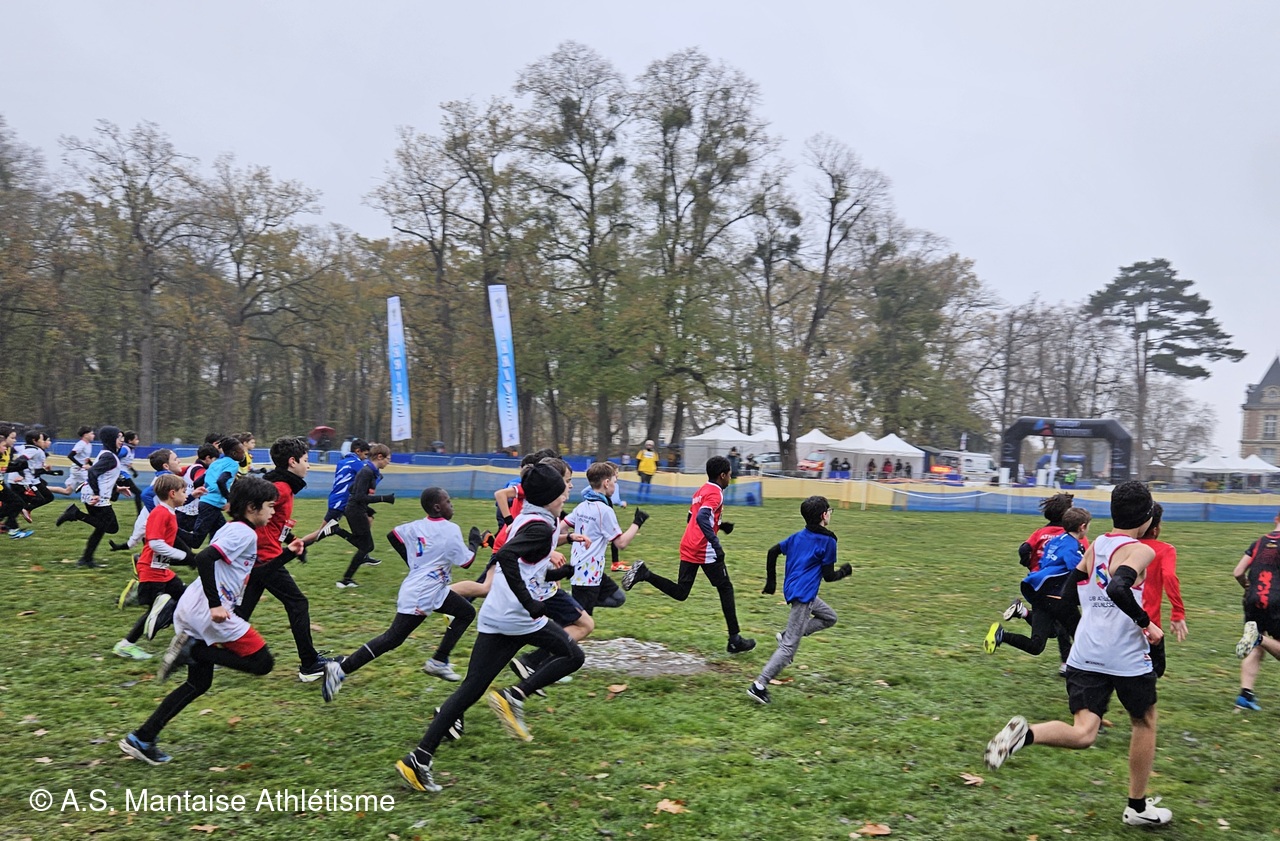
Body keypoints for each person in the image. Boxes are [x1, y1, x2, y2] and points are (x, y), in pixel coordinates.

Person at [984, 481, 1172, 828]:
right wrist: (1147, 624)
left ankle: (1026, 735)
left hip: (1085, 653)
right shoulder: (1141, 550)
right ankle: (1136, 806)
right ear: (1147, 518)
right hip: (1125, 655)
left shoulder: (1097, 544)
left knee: (1084, 732)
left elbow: (1068, 597)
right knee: (1144, 720)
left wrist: (1082, 621)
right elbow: (1118, 586)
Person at [394, 463, 586, 793]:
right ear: (549, 496)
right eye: (563, 490)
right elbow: (507, 557)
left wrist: (560, 573)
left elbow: (526, 566)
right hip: (518, 617)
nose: (567, 494)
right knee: (573, 656)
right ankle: (514, 696)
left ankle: (418, 760)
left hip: (496, 614)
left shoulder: (530, 518)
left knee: (470, 688)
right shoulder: (540, 527)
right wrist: (530, 603)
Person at [118, 476, 297, 766]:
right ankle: (193, 649)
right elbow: (204, 559)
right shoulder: (244, 534)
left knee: (198, 683)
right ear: (252, 508)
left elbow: (256, 575)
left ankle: (142, 738)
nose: (273, 511)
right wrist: (215, 605)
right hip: (209, 611)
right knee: (262, 663)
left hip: (194, 606)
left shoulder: (235, 529)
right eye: (269, 506)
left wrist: (288, 553)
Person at [322, 487, 480, 701]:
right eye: (448, 502)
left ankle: (439, 660)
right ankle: (340, 669)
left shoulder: (416, 525)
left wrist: (413, 563)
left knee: (466, 612)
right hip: (422, 593)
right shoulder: (450, 529)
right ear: (437, 507)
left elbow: (393, 535)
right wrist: (474, 542)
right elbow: (467, 562)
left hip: (433, 589)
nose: (452, 505)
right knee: (393, 638)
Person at [621, 455, 756, 654]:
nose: (730, 477)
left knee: (681, 592)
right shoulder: (716, 493)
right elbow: (701, 517)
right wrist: (716, 543)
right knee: (725, 588)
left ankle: (645, 573)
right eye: (729, 474)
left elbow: (691, 518)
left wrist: (720, 525)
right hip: (704, 548)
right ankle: (735, 640)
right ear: (722, 475)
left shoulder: (701, 491)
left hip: (688, 544)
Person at [234, 436, 336, 681]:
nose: (308, 465)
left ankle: (210, 648)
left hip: (262, 555)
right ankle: (309, 664)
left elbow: (275, 522)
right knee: (298, 604)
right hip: (265, 557)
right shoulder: (280, 488)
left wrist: (291, 538)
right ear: (292, 462)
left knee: (243, 610)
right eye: (305, 460)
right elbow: (249, 510)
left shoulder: (283, 486)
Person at [748, 495, 851, 705]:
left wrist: (771, 582)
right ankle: (759, 685)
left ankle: (787, 634)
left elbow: (772, 551)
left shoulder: (798, 536)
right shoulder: (828, 541)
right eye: (830, 511)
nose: (830, 514)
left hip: (798, 591)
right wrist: (844, 572)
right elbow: (829, 576)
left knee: (829, 617)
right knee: (788, 649)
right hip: (803, 596)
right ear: (824, 515)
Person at [985, 507, 1089, 660]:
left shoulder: (1055, 541)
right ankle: (1082, 668)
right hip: (1057, 597)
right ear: (1082, 527)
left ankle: (1000, 635)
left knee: (1038, 644)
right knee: (1080, 636)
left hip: (1039, 593)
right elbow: (1078, 571)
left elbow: (1043, 562)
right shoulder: (1073, 547)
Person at [112, 474, 191, 661]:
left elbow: (149, 533)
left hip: (162, 569)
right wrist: (183, 555)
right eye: (184, 491)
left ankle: (189, 640)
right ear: (172, 494)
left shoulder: (168, 511)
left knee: (185, 599)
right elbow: (155, 543)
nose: (186, 495)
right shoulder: (161, 512)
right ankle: (125, 645)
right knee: (155, 613)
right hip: (151, 569)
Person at [565, 462, 647, 615]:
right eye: (615, 481)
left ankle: (575, 601)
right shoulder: (604, 510)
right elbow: (621, 543)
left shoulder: (582, 506)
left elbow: (562, 527)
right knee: (581, 623)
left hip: (590, 570)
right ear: (606, 483)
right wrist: (638, 522)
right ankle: (571, 602)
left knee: (618, 598)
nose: (615, 485)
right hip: (586, 575)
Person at [56, 425, 126, 569]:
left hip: (93, 494)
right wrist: (96, 494)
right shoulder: (109, 456)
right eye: (119, 437)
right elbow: (93, 472)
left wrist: (116, 488)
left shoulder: (107, 454)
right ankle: (75, 514)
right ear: (111, 438)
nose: (122, 440)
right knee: (111, 527)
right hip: (95, 497)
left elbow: (104, 475)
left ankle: (86, 559)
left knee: (100, 528)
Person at [1231, 510, 1280, 711]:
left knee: (1256, 647)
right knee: (1260, 641)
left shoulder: (1259, 542)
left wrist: (1248, 587)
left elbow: (1238, 572)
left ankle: (1245, 696)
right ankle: (1258, 638)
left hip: (1253, 599)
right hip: (1276, 600)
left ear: (1276, 519)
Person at [336, 443, 395, 588]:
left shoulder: (371, 472)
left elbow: (352, 489)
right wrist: (384, 498)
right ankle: (345, 579)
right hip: (355, 511)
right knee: (367, 546)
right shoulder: (366, 472)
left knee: (365, 545)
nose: (389, 462)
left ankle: (346, 579)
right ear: (380, 457)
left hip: (357, 509)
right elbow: (359, 497)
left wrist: (367, 509)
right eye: (388, 459)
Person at [1138, 504, 1187, 644]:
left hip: (1118, 623)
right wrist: (1178, 611)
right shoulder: (1165, 550)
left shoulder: (1121, 546)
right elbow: (1169, 576)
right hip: (1150, 626)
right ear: (1155, 530)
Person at [187, 437, 245, 548]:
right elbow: (221, 481)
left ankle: (213, 556)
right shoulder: (233, 464)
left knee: (220, 535)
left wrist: (203, 497)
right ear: (234, 453)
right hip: (211, 505)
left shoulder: (216, 463)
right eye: (242, 452)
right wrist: (229, 499)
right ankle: (174, 533)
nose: (244, 454)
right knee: (196, 541)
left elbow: (198, 482)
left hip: (209, 504)